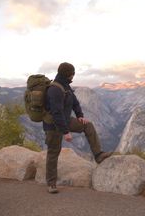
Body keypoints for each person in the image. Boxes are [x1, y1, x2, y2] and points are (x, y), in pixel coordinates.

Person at [43, 62, 112, 194]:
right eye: (72, 74)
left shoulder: (66, 86)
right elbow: (56, 113)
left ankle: (98, 155)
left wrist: (80, 115)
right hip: (53, 125)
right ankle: (51, 183)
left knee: (88, 126)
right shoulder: (54, 90)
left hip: (65, 120)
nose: (73, 76)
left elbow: (75, 103)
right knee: (53, 152)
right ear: (68, 74)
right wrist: (66, 132)